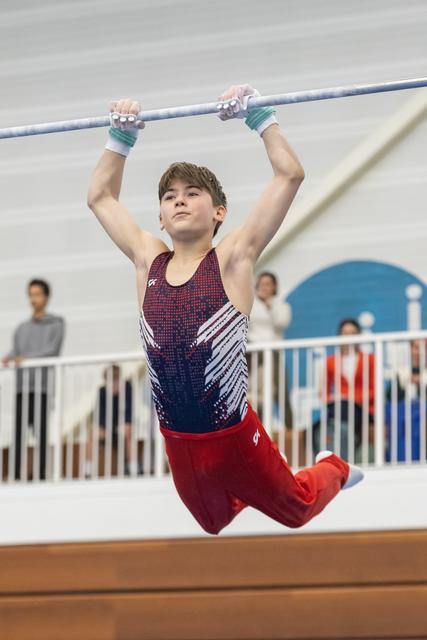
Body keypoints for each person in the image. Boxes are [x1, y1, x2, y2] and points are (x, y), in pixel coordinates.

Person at [87, 84, 363, 535]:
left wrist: (261, 117)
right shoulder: (147, 260)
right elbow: (100, 197)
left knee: (296, 508)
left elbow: (289, 175)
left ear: (219, 212)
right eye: (170, 195)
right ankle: (251, 489)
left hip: (234, 436)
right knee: (212, 523)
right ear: (159, 216)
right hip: (177, 440)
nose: (179, 199)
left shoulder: (232, 259)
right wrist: (120, 138)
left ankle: (333, 465)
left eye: (192, 193)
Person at [1, 279, 65, 480]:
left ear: (46, 297)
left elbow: (52, 351)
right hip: (22, 387)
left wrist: (26, 359)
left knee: (41, 432)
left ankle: (42, 474)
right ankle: (17, 475)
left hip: (42, 387)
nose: (33, 299)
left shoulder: (56, 323)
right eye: (31, 294)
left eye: (37, 294)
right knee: (19, 432)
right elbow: (16, 351)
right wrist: (8, 357)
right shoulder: (22, 327)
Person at [313, 318, 375, 461]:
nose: (349, 338)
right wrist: (336, 399)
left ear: (359, 336)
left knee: (345, 409)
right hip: (340, 409)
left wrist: (351, 398)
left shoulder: (370, 360)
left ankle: (342, 454)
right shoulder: (331, 362)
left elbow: (374, 390)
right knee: (322, 424)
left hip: (363, 409)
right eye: (345, 334)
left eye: (353, 333)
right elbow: (323, 393)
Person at [247, 271, 293, 427]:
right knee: (254, 392)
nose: (264, 287)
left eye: (268, 284)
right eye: (261, 284)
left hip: (273, 352)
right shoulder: (250, 304)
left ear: (274, 287)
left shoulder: (281, 306)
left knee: (280, 390)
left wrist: (270, 306)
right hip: (253, 352)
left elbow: (281, 323)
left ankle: (290, 427)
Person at [85, 364, 142, 476]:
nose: (114, 384)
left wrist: (123, 425)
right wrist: (106, 428)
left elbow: (129, 412)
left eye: (116, 380)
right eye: (111, 381)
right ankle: (87, 470)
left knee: (128, 431)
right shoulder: (102, 391)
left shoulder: (127, 388)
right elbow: (99, 415)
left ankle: (134, 469)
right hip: (106, 429)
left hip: (121, 428)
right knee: (93, 433)